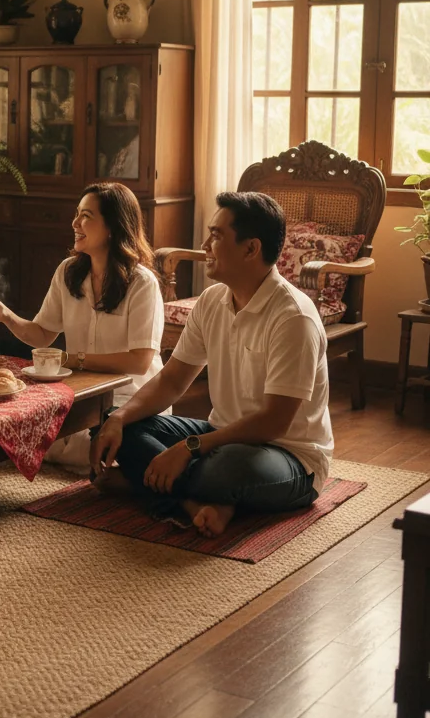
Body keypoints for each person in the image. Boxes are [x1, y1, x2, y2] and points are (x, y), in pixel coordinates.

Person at [92, 192, 333, 539]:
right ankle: (194, 504)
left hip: (289, 456)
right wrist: (118, 419)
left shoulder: (293, 318)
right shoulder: (212, 301)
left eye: (216, 236)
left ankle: (142, 482)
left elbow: (273, 422)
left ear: (251, 249)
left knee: (224, 470)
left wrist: (186, 449)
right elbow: (172, 380)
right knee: (113, 425)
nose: (205, 245)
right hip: (221, 437)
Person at [0, 182, 164, 471]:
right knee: (23, 426)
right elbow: (41, 334)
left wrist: (71, 360)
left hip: (130, 394)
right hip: (81, 392)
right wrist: (5, 315)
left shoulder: (142, 283)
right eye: (77, 214)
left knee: (86, 444)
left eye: (86, 216)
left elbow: (140, 362)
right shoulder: (68, 271)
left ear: (112, 226)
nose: (75, 223)